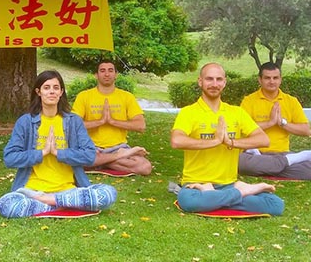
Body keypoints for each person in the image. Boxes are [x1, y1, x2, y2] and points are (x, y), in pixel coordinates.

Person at [0, 70, 117, 218]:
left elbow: (89, 155)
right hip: (32, 190)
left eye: (56, 87)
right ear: (38, 92)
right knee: (6, 205)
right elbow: (9, 158)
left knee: (108, 194)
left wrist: (58, 153)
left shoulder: (74, 122)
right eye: (46, 88)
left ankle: (49, 202)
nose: (51, 92)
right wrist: (42, 153)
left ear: (61, 92)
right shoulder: (26, 122)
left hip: (68, 190)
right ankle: (64, 205)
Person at [170, 63, 284, 215]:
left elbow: (263, 140)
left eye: (219, 79)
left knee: (275, 205)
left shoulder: (236, 112)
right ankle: (242, 192)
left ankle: (213, 196)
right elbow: (176, 141)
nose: (214, 84)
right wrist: (215, 141)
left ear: (224, 82)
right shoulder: (188, 112)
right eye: (209, 79)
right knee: (189, 201)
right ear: (200, 82)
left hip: (229, 184)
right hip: (196, 185)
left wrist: (230, 142)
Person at [72, 60, 151, 175]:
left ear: (116, 75)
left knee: (144, 167)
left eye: (110, 70)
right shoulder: (84, 96)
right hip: (91, 147)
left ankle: (98, 162)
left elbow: (141, 126)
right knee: (70, 159)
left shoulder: (127, 97)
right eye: (102, 71)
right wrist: (101, 121)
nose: (107, 74)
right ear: (96, 75)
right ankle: (115, 158)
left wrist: (112, 121)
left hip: (118, 147)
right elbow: (73, 125)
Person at [239, 62, 311, 179]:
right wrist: (270, 123)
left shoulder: (291, 101)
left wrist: (282, 123)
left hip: (281, 153)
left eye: (275, 78)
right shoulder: (249, 101)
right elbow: (242, 129)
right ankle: (287, 162)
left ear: (280, 79)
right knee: (240, 162)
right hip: (255, 153)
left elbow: (306, 131)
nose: (272, 81)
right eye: (267, 78)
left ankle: (270, 166)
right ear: (260, 80)